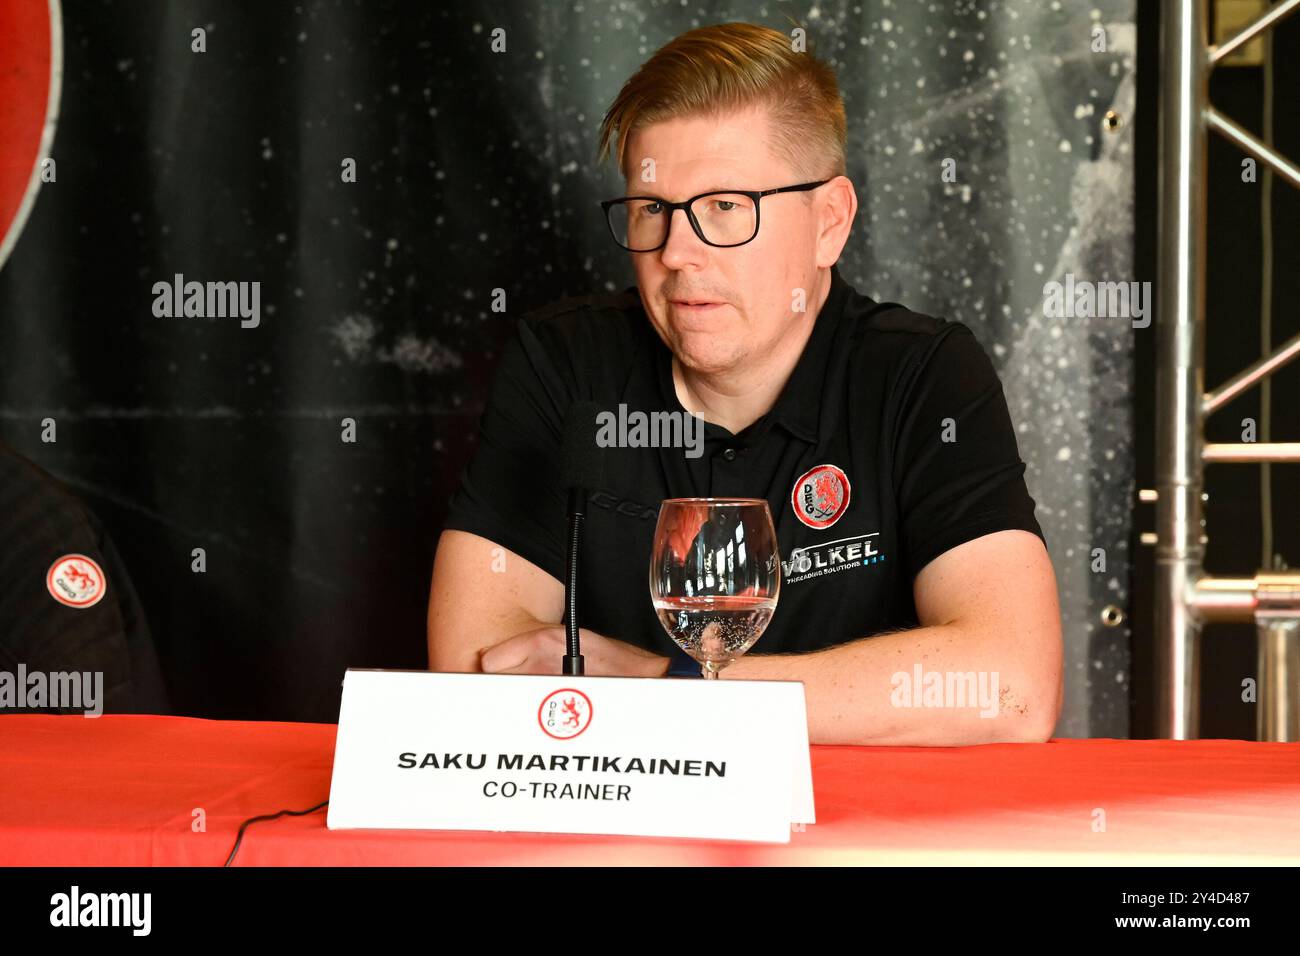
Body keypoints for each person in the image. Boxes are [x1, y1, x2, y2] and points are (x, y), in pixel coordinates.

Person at [428, 22, 1062, 746]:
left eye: (726, 207)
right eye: (652, 210)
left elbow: (1011, 686)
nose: (676, 253)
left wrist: (658, 684)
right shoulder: (566, 362)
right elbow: (475, 661)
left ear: (830, 222)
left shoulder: (920, 374)